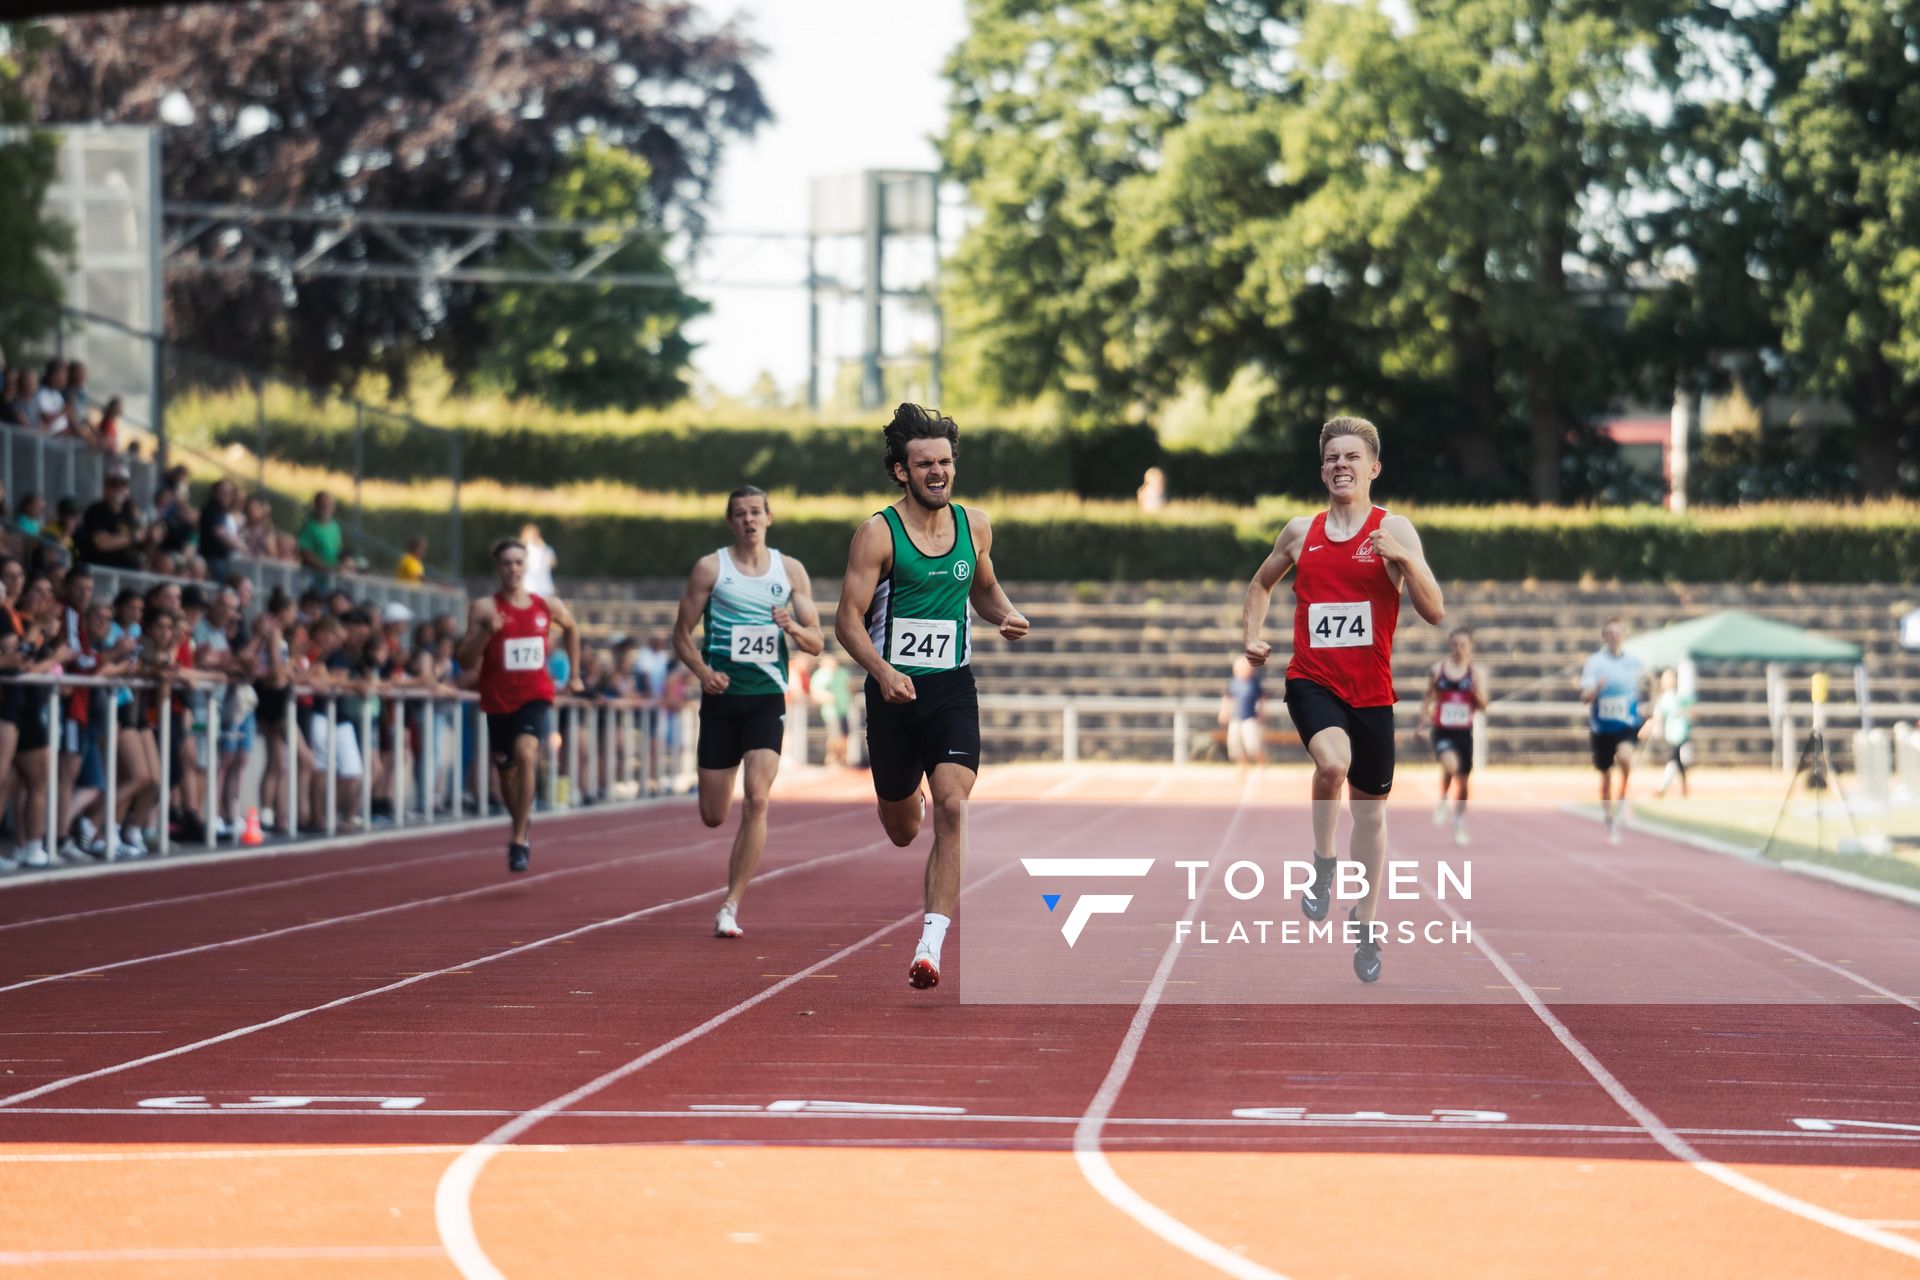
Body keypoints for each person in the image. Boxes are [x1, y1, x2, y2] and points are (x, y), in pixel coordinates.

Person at [1242, 415, 1445, 984]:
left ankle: (1366, 924)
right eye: (1332, 458)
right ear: (1322, 468)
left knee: (1371, 816)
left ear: (1373, 468)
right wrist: (1252, 635)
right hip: (1312, 679)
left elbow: (1434, 611)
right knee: (1333, 763)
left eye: (1352, 457)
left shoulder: (1395, 528)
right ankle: (1323, 865)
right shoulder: (1298, 532)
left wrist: (1403, 559)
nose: (1341, 466)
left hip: (1372, 693)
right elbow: (1260, 584)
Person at [834, 404, 1030, 990]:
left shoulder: (975, 526)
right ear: (901, 470)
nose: (938, 472)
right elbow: (846, 621)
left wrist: (1007, 615)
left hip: (950, 688)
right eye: (925, 464)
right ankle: (902, 794)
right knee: (901, 827)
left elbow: (986, 590)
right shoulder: (877, 534)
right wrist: (883, 671)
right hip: (893, 694)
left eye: (945, 461)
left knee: (952, 805)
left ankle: (930, 944)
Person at [672, 485, 825, 938]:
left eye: (756, 512)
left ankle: (730, 905)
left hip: (766, 699)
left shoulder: (790, 571)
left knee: (758, 798)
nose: (749, 520)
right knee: (714, 814)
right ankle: (729, 898)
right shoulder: (710, 569)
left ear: (769, 518)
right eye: (740, 514)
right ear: (731, 522)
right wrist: (703, 672)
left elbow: (817, 642)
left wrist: (792, 627)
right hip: (721, 700)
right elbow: (681, 635)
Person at [457, 535, 585, 873]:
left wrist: (574, 674)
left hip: (536, 695)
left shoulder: (547, 605)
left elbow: (572, 628)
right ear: (497, 568)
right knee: (507, 774)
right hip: (499, 700)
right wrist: (485, 632)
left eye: (518, 562)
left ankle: (517, 838)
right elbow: (466, 661)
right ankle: (521, 823)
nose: (513, 569)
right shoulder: (484, 608)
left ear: (526, 565)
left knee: (528, 753)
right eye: (506, 563)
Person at [1580, 619, 1652, 844]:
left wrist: (1652, 707)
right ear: (1604, 637)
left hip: (1626, 723)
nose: (1614, 637)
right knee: (1605, 777)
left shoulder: (1634, 662)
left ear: (1624, 634)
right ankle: (1609, 817)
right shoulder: (1594, 663)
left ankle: (1624, 794)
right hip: (1601, 727)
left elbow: (1652, 681)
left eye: (1617, 632)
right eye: (1609, 633)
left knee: (1625, 756)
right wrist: (1597, 689)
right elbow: (1584, 698)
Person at [1421, 627, 1487, 846]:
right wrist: (1422, 724)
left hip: (1463, 732)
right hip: (1443, 730)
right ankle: (1443, 800)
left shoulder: (1475, 674)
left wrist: (1475, 692)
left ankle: (1458, 820)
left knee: (1464, 782)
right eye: (1455, 645)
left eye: (1463, 645)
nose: (1458, 649)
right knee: (1450, 765)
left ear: (1470, 647)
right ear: (1450, 646)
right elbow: (1428, 699)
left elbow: (1483, 705)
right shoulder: (1438, 670)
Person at [1648, 667, 1696, 799]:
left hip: (1681, 734)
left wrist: (1685, 713)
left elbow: (1692, 712)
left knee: (1673, 760)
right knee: (1678, 762)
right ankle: (1684, 788)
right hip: (1671, 735)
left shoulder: (1681, 697)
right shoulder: (1664, 699)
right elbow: (1657, 716)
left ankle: (1662, 788)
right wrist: (1647, 728)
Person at [1219, 655, 1266, 772]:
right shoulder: (1233, 682)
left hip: (1250, 717)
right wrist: (1223, 711)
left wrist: (1261, 711)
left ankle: (1261, 763)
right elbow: (1228, 698)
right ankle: (1243, 764)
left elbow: (1262, 698)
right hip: (1235, 718)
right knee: (1234, 744)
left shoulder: (1254, 682)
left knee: (1252, 744)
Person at [296, 492, 345, 590]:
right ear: (316, 506)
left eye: (329, 505)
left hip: (332, 579)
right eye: (323, 505)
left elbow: (338, 549)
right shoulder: (309, 526)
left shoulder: (335, 527)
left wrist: (344, 563)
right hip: (313, 578)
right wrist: (326, 568)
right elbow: (305, 552)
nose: (326, 508)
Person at [521, 522, 557, 597]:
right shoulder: (523, 549)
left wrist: (544, 549)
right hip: (529, 587)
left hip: (545, 588)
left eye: (535, 534)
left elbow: (553, 564)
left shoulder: (546, 549)